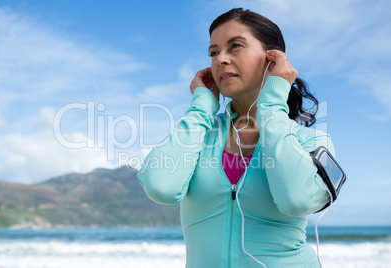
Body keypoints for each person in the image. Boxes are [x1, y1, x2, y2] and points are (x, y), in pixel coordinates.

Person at [138, 8, 334, 268]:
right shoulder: (197, 134)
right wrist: (201, 107)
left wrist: (273, 104)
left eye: (236, 46)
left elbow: (297, 199)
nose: (221, 59)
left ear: (273, 59)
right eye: (213, 52)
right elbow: (160, 186)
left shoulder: (308, 140)